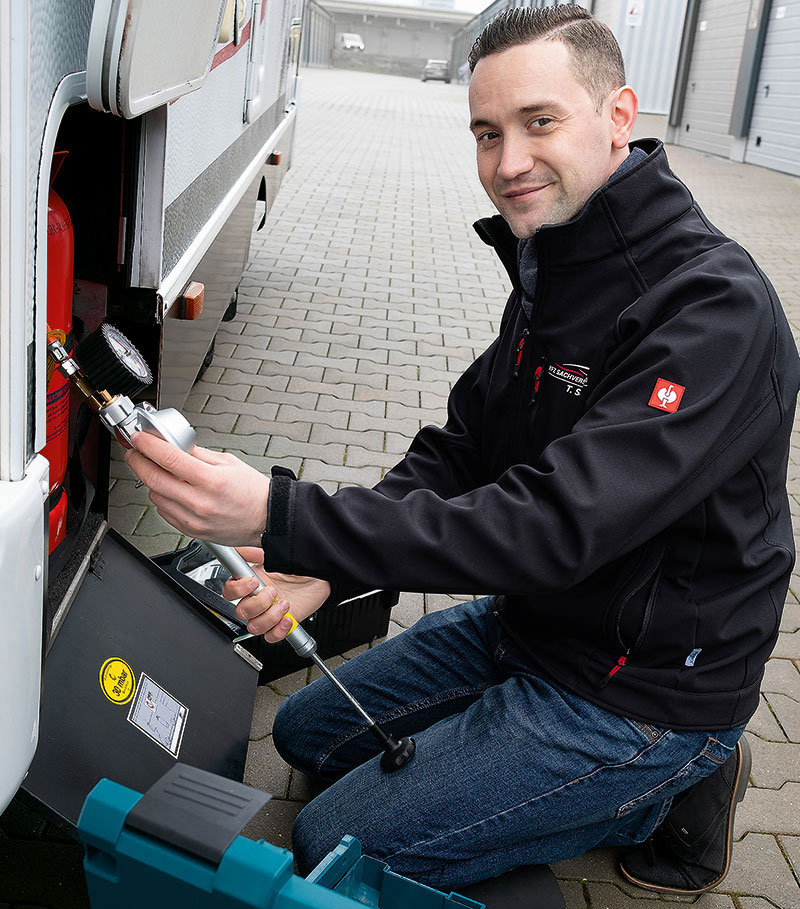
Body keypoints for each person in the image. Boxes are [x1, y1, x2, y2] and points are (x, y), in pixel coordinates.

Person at [126, 4, 800, 897]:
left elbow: (551, 526)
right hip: (535, 623)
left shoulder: (715, 311)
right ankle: (525, 766)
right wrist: (324, 565)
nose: (507, 162)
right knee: (304, 737)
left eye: (539, 122)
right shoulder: (558, 257)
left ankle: (679, 781)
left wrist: (281, 512)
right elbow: (463, 447)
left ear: (619, 116)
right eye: (487, 132)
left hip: (640, 686)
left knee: (340, 837)